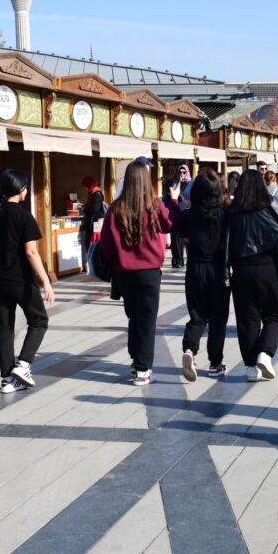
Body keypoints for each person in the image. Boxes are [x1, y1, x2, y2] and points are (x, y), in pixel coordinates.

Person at [99, 161, 181, 386]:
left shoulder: (116, 209)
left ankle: (136, 360)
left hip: (124, 273)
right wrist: (174, 201)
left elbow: (106, 245)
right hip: (149, 273)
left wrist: (117, 260)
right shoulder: (154, 205)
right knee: (147, 321)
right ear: (145, 181)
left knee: (134, 317)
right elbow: (171, 224)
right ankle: (143, 369)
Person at [226, 170, 278, 382]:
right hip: (268, 267)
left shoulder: (232, 210)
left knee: (247, 318)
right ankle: (265, 353)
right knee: (273, 314)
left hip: (241, 269)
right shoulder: (271, 204)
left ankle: (251, 368)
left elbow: (226, 244)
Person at [0, 169, 55, 394]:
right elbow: (31, 252)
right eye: (26, 187)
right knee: (39, 321)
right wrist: (46, 281)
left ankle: (7, 380)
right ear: (20, 189)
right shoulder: (24, 217)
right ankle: (23, 365)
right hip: (20, 281)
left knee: (4, 329)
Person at [177, 169, 230, 380]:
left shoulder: (188, 216)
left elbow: (184, 236)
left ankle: (190, 349)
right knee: (218, 319)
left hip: (195, 269)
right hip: (218, 270)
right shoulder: (225, 215)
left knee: (197, 315)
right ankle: (215, 364)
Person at [167, 165, 191, 269]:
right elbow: (171, 195)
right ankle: (178, 260)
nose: (182, 174)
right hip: (176, 212)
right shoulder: (175, 182)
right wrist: (179, 183)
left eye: (184, 172)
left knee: (187, 239)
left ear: (187, 172)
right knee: (176, 238)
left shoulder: (191, 183)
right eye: (180, 172)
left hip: (187, 213)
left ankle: (190, 260)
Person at [80, 175, 106, 267]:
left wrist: (85, 209)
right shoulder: (93, 192)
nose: (85, 188)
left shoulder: (95, 193)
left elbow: (95, 208)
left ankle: (93, 264)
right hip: (93, 222)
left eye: (86, 185)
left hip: (94, 223)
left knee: (92, 242)